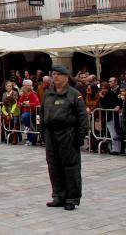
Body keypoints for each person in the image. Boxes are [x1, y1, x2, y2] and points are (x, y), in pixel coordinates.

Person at [42, 65, 89, 211]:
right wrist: (43, 133)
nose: (54, 77)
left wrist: (80, 136)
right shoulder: (48, 93)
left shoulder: (74, 94)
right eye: (53, 74)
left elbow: (82, 116)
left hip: (67, 133)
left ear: (66, 77)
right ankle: (58, 196)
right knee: (53, 166)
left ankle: (72, 198)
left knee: (70, 167)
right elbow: (43, 114)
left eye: (58, 74)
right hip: (51, 134)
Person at [18, 79, 40, 146]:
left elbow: (37, 103)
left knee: (25, 117)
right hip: (26, 114)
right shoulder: (23, 95)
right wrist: (22, 103)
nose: (23, 87)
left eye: (25, 86)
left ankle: (31, 136)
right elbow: (18, 103)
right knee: (26, 121)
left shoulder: (33, 94)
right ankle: (31, 139)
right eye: (24, 86)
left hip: (33, 113)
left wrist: (29, 104)